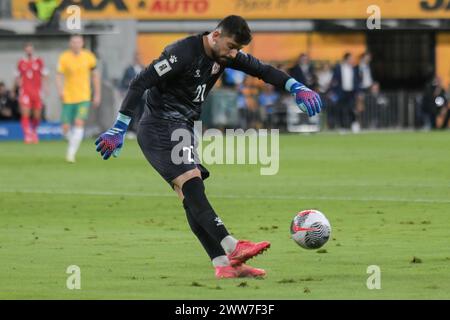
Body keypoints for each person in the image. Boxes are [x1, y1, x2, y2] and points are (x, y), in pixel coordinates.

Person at [95, 16, 322, 279]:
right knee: (192, 183)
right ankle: (232, 246)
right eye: (231, 46)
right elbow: (140, 82)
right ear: (216, 35)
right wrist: (119, 127)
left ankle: (224, 265)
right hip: (159, 127)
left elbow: (263, 70)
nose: (234, 53)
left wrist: (296, 86)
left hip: (183, 128)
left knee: (190, 197)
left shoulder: (225, 54)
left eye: (237, 49)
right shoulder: (182, 53)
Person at [56, 35, 101, 163]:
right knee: (65, 128)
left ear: (82, 43)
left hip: (83, 97)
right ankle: (72, 141)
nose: (76, 44)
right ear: (70, 44)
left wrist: (97, 94)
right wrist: (60, 90)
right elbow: (58, 75)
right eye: (74, 42)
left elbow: (95, 76)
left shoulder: (89, 57)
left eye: (78, 42)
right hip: (68, 97)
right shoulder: (64, 57)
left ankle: (71, 154)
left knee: (79, 122)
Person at [15, 43, 49, 143]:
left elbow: (45, 74)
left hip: (37, 92)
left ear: (33, 50)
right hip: (25, 92)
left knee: (37, 115)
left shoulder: (39, 61)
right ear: (25, 50)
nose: (29, 51)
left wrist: (46, 87)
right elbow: (17, 76)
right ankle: (27, 135)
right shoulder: (21, 62)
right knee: (25, 113)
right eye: (27, 49)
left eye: (30, 49)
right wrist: (17, 87)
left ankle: (34, 131)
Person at [120, 52, 146, 134]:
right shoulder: (129, 69)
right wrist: (122, 90)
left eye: (139, 57)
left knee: (142, 112)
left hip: (142, 95)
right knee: (131, 112)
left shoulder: (144, 68)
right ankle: (130, 129)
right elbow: (123, 81)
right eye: (136, 57)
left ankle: (139, 129)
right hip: (132, 95)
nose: (137, 59)